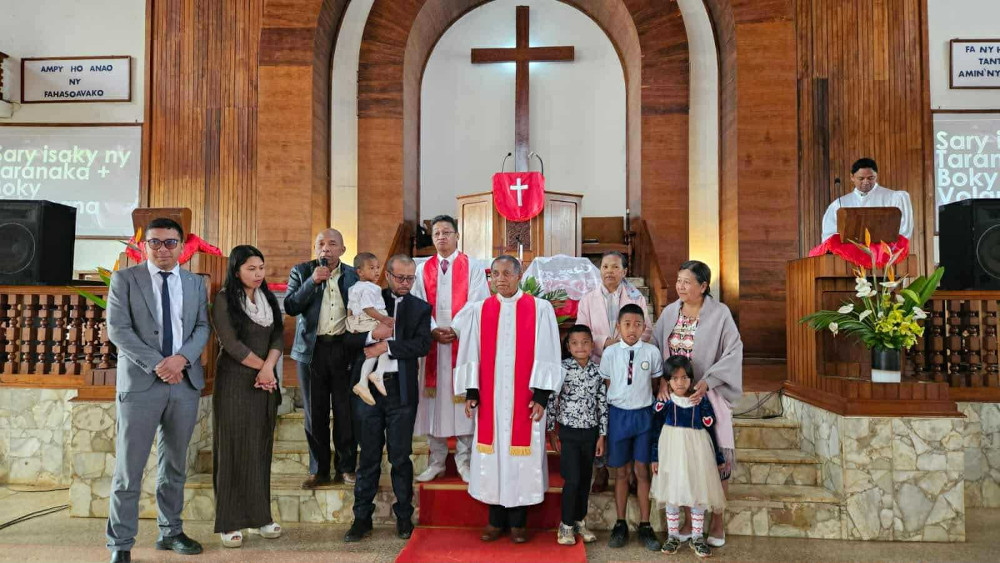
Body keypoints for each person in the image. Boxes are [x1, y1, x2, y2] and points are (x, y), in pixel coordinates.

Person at [105, 218, 211, 563]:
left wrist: (181, 360)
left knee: (175, 465)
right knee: (129, 468)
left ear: (182, 247)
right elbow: (118, 330)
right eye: (155, 242)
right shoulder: (125, 279)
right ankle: (121, 544)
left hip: (184, 383)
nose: (162, 249)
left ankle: (171, 531)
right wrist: (159, 364)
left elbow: (202, 327)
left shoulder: (195, 283)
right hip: (140, 385)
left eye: (170, 242)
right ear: (144, 246)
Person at [453, 256, 563, 544]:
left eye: (506, 273)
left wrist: (541, 396)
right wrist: (472, 392)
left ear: (518, 275)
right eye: (495, 274)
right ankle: (494, 520)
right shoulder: (480, 310)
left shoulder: (539, 309)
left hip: (525, 400)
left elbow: (548, 352)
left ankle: (518, 523)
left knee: (520, 460)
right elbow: (471, 352)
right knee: (492, 457)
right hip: (490, 400)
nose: (500, 279)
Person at [653, 260, 743, 547]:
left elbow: (733, 350)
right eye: (679, 280)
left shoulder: (720, 313)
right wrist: (663, 381)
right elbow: (655, 346)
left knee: (715, 461)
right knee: (683, 461)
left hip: (707, 394)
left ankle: (716, 522)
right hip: (677, 397)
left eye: (687, 282)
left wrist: (708, 381)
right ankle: (686, 522)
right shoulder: (670, 312)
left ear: (703, 286)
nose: (680, 286)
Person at [343, 255, 432, 543]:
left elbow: (422, 345)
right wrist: (372, 336)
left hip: (400, 391)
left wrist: (387, 346)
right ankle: (361, 518)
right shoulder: (371, 297)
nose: (405, 283)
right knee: (368, 456)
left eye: (410, 278)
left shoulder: (420, 308)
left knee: (400, 456)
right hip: (367, 390)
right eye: (400, 278)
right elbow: (348, 338)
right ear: (388, 276)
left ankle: (404, 516)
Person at [210, 245, 284, 548]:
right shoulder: (224, 299)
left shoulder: (267, 298)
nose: (258, 274)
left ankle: (261, 517)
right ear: (236, 270)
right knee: (232, 449)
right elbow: (231, 343)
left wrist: (268, 369)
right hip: (235, 382)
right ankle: (229, 521)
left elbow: (278, 336)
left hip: (264, 383)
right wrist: (263, 369)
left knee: (259, 449)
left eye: (261, 268)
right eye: (251, 268)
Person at [411, 215, 490, 483]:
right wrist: (432, 328)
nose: (441, 237)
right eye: (436, 233)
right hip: (433, 345)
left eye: (446, 232)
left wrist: (455, 328)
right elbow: (418, 302)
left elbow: (478, 302)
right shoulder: (422, 269)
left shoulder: (473, 267)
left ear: (457, 236)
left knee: (462, 401)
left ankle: (464, 461)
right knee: (433, 405)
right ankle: (437, 462)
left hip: (462, 344)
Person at [284, 228, 359, 488]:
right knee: (314, 413)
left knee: (344, 412)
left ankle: (346, 468)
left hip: (343, 349)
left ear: (342, 249)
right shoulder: (302, 271)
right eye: (321, 244)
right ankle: (319, 470)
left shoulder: (353, 275)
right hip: (311, 351)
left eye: (332, 243)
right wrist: (312, 282)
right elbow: (291, 306)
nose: (326, 248)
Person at [575, 250, 653, 491]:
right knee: (599, 416)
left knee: (623, 416)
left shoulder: (636, 298)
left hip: (627, 365)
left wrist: (622, 345)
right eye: (605, 266)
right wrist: (604, 342)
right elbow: (581, 331)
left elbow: (647, 330)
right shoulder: (588, 299)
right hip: (597, 363)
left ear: (624, 271)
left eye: (615, 267)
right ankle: (601, 470)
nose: (609, 271)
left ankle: (630, 473)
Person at [651, 355, 727, 558]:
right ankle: (673, 536)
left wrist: (718, 458)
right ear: (667, 381)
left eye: (684, 377)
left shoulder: (700, 401)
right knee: (672, 491)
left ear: (691, 379)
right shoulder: (665, 403)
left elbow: (710, 430)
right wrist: (655, 457)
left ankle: (697, 536)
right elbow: (655, 432)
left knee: (697, 490)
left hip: (697, 452)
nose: (680, 382)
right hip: (671, 452)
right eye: (675, 378)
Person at [601, 303, 663, 551]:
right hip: (618, 416)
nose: (632, 329)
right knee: (622, 471)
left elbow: (655, 383)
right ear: (618, 326)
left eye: (637, 325)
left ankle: (645, 525)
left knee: (642, 470)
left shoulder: (651, 352)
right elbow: (608, 383)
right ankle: (620, 523)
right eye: (627, 324)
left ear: (644, 327)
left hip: (643, 416)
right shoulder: (610, 353)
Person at [545, 325, 607, 546]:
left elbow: (602, 403)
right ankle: (566, 525)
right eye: (575, 343)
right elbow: (552, 400)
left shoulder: (598, 371)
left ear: (592, 345)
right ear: (568, 347)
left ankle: (580, 521)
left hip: (590, 432)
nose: (580, 347)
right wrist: (551, 430)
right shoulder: (562, 369)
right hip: (569, 432)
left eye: (585, 342)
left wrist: (602, 435)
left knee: (584, 480)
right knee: (572, 479)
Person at [820, 157, 914, 241]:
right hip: (849, 254)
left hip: (884, 253)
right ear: (852, 177)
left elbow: (903, 233)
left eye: (870, 178)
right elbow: (829, 237)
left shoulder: (894, 198)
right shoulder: (839, 204)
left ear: (876, 175)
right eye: (861, 178)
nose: (866, 182)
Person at [347, 252, 395, 405]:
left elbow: (350, 309)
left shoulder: (353, 288)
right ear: (360, 272)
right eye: (372, 268)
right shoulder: (370, 288)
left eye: (377, 267)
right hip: (371, 318)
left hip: (359, 321)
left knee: (374, 349)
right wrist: (384, 319)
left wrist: (351, 324)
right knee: (388, 342)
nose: (376, 271)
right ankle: (377, 373)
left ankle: (363, 381)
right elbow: (368, 308)